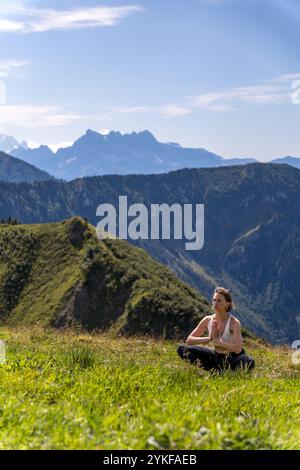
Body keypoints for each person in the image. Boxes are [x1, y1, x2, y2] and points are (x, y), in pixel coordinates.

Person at [177, 287, 255, 373]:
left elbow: (238, 349)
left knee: (249, 361)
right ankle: (214, 371)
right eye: (214, 300)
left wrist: (219, 342)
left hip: (232, 357)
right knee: (182, 349)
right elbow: (189, 340)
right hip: (215, 356)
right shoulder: (207, 319)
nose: (215, 303)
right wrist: (210, 338)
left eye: (219, 301)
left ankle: (226, 371)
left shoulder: (234, 322)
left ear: (227, 304)